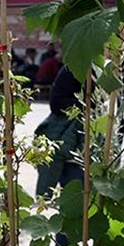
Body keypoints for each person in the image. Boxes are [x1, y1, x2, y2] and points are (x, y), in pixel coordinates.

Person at [35, 65, 85, 198]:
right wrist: (85, 106)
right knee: (75, 195)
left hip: (94, 147)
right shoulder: (74, 68)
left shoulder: (112, 69)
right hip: (72, 145)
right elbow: (56, 102)